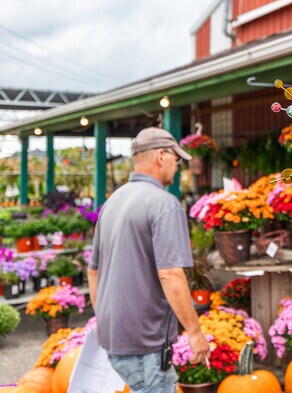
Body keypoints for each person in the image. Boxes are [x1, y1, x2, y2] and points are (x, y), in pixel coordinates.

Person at [88, 127, 210, 392]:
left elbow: (93, 271)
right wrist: (195, 332)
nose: (178, 167)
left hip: (116, 338)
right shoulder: (163, 203)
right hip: (144, 343)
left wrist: (109, 319)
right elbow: (170, 274)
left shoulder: (112, 202)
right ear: (161, 156)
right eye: (176, 160)